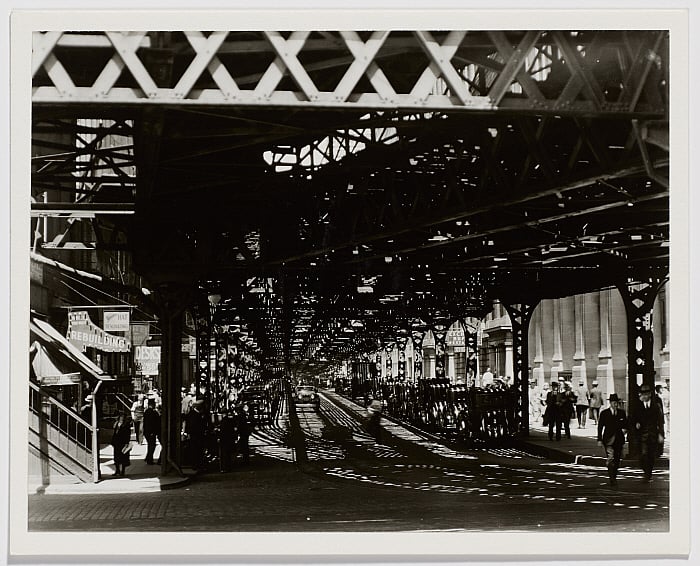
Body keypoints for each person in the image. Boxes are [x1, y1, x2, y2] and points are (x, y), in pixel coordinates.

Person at [632, 383, 665, 483]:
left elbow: (660, 421)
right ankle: (646, 471)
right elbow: (633, 418)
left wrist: (661, 434)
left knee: (651, 456)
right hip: (641, 436)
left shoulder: (656, 405)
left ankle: (648, 474)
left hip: (653, 435)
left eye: (646, 394)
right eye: (643, 394)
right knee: (643, 455)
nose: (644, 396)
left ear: (650, 394)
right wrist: (636, 423)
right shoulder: (637, 405)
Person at [597, 393, 628, 487]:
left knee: (617, 459)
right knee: (610, 458)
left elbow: (625, 424)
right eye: (614, 402)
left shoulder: (621, 412)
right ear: (610, 403)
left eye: (617, 403)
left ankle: (614, 475)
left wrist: (625, 431)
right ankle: (612, 477)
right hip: (608, 440)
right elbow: (600, 426)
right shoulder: (604, 413)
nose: (615, 404)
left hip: (619, 439)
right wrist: (599, 439)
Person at [185, 399, 207, 471]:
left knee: (197, 451)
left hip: (196, 436)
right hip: (196, 436)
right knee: (196, 451)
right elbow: (193, 426)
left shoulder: (193, 414)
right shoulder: (194, 415)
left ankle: (197, 465)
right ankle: (196, 465)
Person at [142, 398, 160, 465]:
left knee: (150, 445)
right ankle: (149, 459)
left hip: (147, 432)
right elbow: (152, 423)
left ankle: (148, 458)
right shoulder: (152, 412)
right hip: (151, 432)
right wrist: (153, 432)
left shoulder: (147, 412)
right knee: (152, 445)